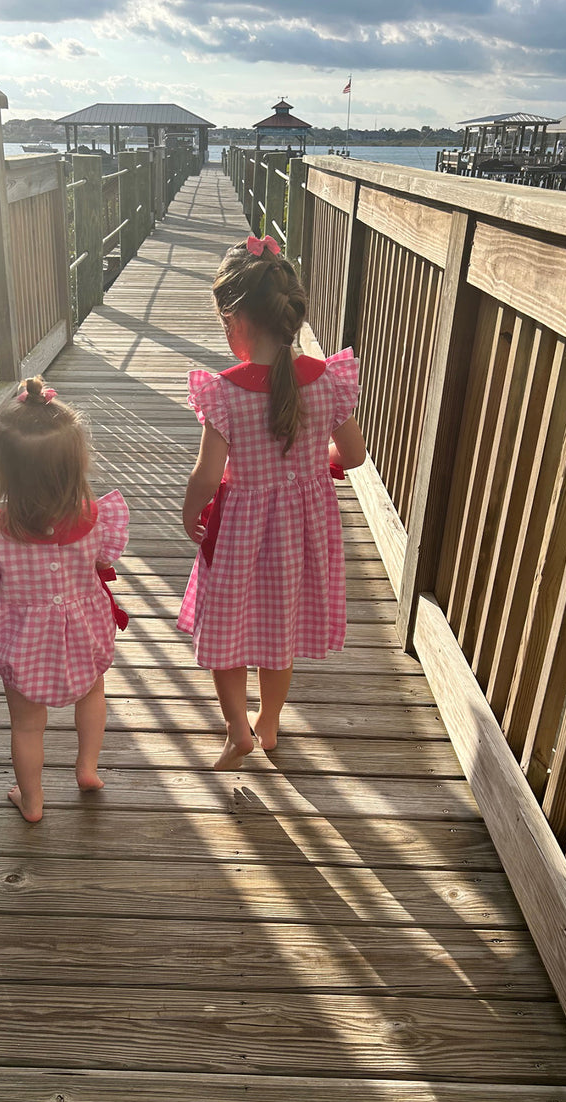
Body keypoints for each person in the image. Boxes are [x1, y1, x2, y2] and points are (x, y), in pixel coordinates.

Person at [178, 234, 366, 770]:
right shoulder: (327, 381)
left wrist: (191, 512)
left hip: (239, 535)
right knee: (276, 632)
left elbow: (208, 475)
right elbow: (352, 455)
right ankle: (270, 723)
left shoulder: (227, 392)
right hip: (298, 537)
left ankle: (237, 728)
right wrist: (312, 464)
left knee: (226, 632)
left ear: (236, 323)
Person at [0, 378, 129, 820]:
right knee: (92, 696)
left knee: (27, 725)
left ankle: (32, 801)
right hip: (84, 630)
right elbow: (105, 561)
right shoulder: (96, 517)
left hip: (23, 641)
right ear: (76, 465)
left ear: (2, 470)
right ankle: (87, 768)